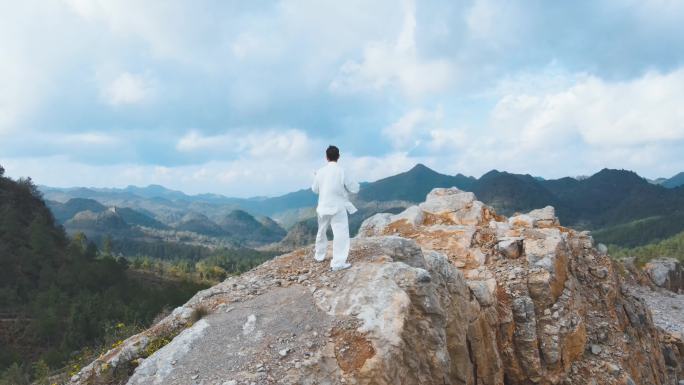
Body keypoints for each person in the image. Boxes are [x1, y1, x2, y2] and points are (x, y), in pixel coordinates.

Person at [311, 145, 359, 271]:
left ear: (326, 157)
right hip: (338, 207)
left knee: (321, 231)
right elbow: (355, 188)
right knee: (340, 233)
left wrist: (316, 176)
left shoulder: (320, 172)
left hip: (322, 207)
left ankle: (319, 256)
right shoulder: (342, 171)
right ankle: (337, 263)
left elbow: (315, 189)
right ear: (338, 156)